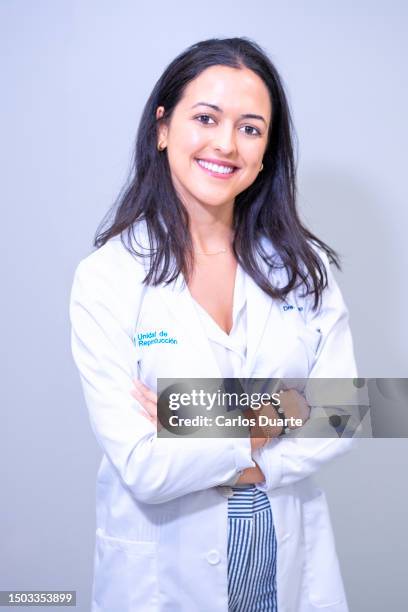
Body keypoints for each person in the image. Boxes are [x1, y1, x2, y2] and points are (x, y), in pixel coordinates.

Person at [70, 37, 357, 612]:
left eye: (250, 128)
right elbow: (145, 467)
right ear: (163, 127)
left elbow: (346, 411)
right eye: (206, 118)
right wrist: (280, 412)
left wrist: (186, 415)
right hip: (159, 578)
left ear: (266, 149)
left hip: (289, 562)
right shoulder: (108, 277)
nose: (226, 144)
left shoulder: (306, 268)